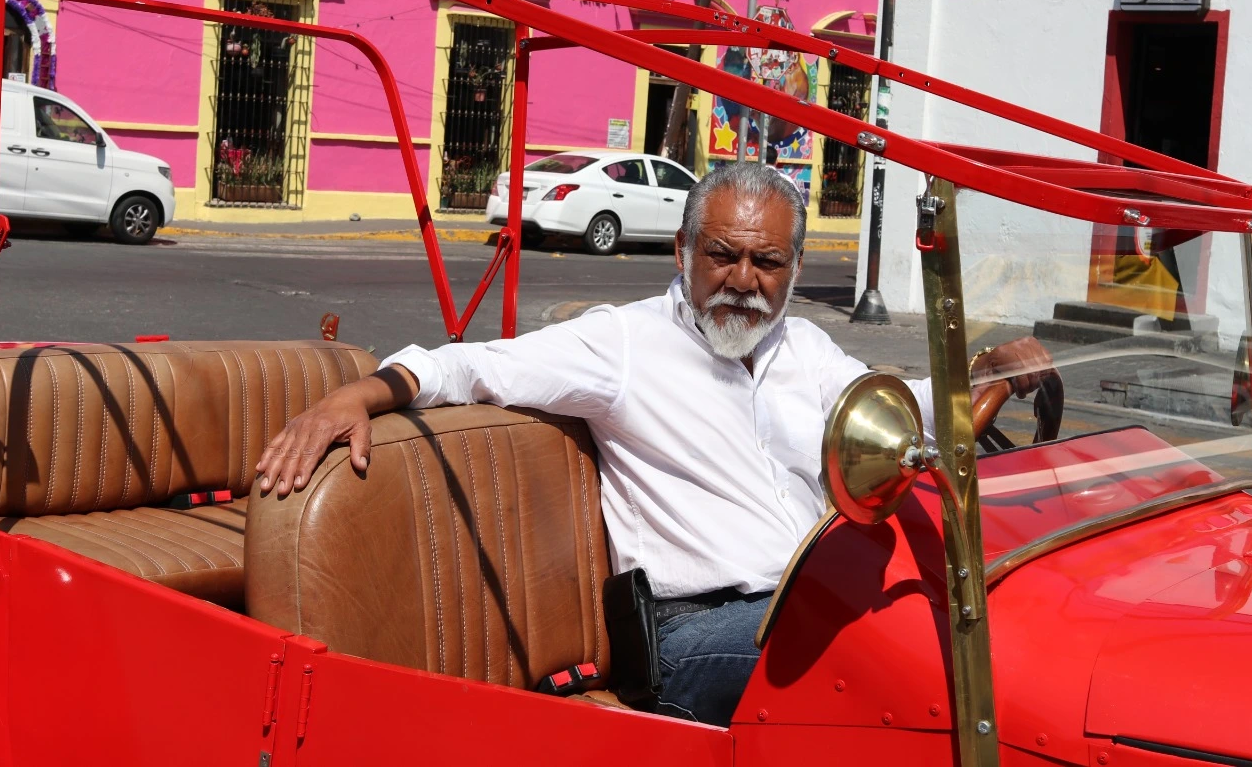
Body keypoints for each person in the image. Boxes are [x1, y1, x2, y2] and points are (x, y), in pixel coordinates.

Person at [255, 162, 1049, 727]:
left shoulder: (801, 347)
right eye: (723, 255)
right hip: (694, 632)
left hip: (811, 595)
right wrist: (356, 393)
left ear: (795, 268)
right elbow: (471, 366)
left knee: (984, 632)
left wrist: (989, 373)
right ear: (682, 252)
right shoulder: (625, 345)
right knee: (910, 665)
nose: (743, 280)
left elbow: (887, 409)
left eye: (767, 262)